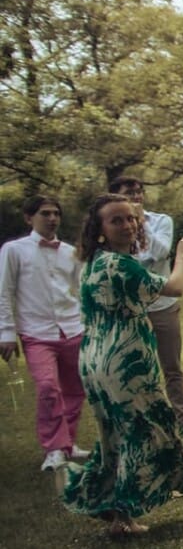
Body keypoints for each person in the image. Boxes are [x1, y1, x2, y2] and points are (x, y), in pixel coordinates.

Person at [60, 194, 183, 537]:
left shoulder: (95, 262)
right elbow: (174, 287)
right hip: (124, 361)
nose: (128, 225)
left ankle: (109, 504)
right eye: (117, 220)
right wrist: (182, 256)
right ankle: (124, 514)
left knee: (115, 434)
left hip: (95, 358)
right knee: (141, 430)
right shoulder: (119, 265)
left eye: (131, 218)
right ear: (100, 229)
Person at [109, 175, 183, 437]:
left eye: (139, 191)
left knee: (172, 367)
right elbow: (133, 261)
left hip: (163, 305)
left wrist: (141, 222)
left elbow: (160, 252)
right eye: (130, 192)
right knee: (135, 368)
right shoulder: (111, 226)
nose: (136, 197)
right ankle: (145, 424)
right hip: (129, 307)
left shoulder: (161, 221)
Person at [0, 195, 90, 471]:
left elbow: (82, 289)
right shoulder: (14, 250)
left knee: (76, 389)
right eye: (45, 213)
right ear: (29, 218)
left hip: (72, 328)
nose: (52, 219)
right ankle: (53, 448)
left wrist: (88, 323)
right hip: (36, 332)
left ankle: (67, 443)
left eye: (56, 214)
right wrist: (6, 332)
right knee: (48, 388)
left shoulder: (69, 252)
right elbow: (4, 291)